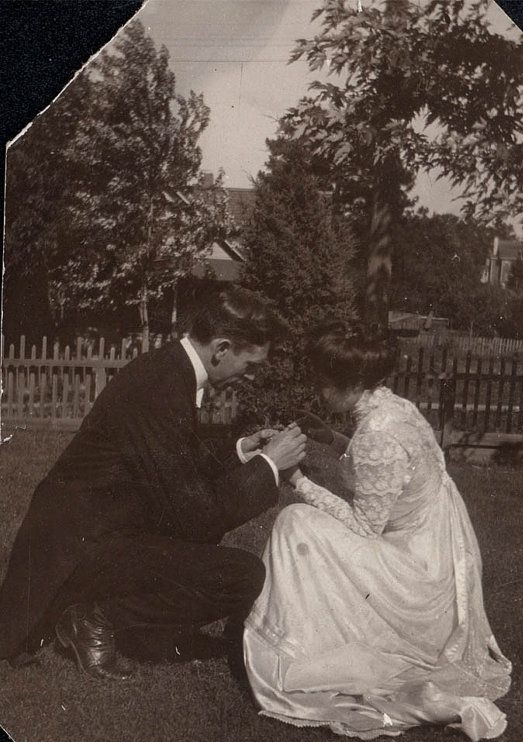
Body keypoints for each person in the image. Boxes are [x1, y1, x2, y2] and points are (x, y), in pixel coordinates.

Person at [0, 282, 306, 679]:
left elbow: (177, 465)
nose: (249, 377)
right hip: (78, 550)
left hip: (99, 532)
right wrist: (268, 464)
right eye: (250, 366)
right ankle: (92, 619)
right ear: (222, 349)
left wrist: (242, 451)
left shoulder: (169, 371)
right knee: (242, 575)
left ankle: (106, 618)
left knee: (211, 558)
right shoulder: (161, 386)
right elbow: (196, 516)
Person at [244, 323, 511, 742]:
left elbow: (365, 526)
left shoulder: (378, 435)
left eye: (323, 383)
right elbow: (377, 467)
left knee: (295, 522)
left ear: (352, 384)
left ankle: (298, 646)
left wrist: (296, 479)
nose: (317, 391)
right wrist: (330, 437)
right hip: (431, 545)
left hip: (415, 569)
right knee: (306, 526)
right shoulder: (393, 407)